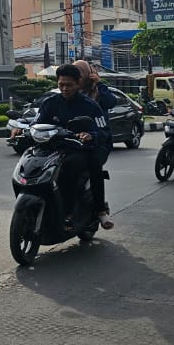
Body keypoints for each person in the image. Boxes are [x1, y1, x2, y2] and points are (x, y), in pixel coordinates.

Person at [28, 63, 109, 232]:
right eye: (61, 85)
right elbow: (36, 123)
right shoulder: (50, 102)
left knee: (75, 168)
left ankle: (92, 210)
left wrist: (90, 135)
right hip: (57, 147)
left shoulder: (90, 106)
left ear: (79, 83)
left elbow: (104, 131)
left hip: (85, 148)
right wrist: (22, 129)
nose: (65, 88)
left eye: (69, 85)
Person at [73, 60, 116, 229]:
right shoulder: (66, 93)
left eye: (80, 75)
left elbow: (111, 102)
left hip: (98, 141)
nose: (67, 86)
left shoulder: (97, 95)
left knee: (93, 166)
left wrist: (100, 83)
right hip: (73, 141)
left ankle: (100, 211)